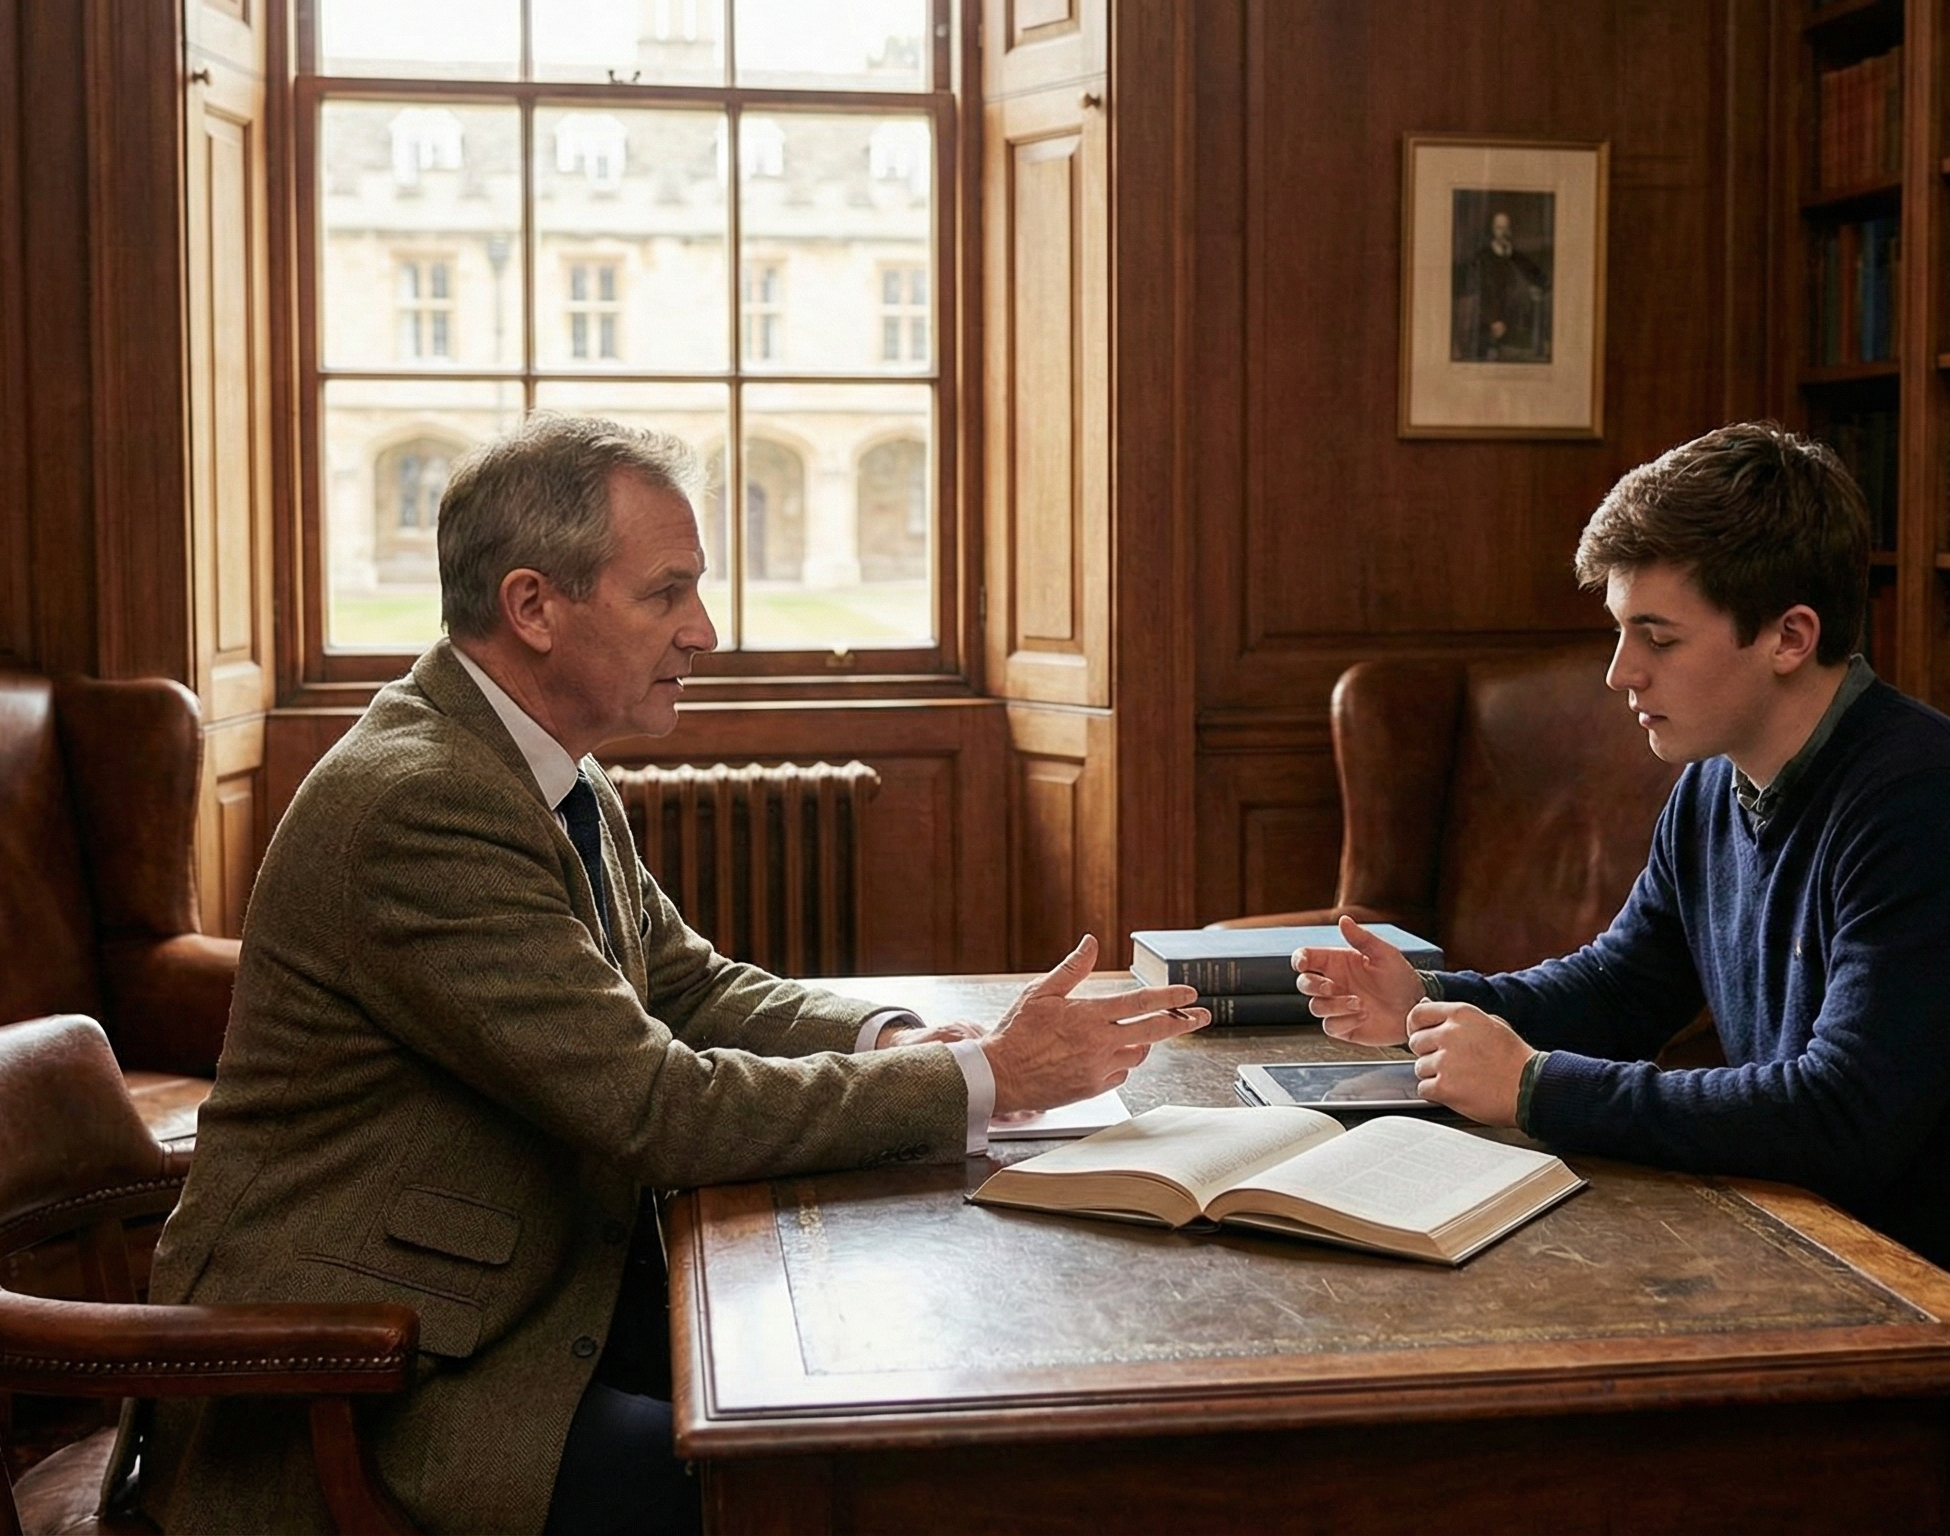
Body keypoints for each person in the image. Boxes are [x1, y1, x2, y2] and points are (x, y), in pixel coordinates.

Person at [142, 415, 1204, 1536]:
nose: (702, 631)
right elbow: (655, 1109)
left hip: (519, 1298)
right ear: (533, 607)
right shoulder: (425, 801)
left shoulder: (538, 765)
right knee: (878, 1484)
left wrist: (889, 1041)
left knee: (914, 1392)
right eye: (667, 593)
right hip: (378, 1381)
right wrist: (985, 1081)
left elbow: (686, 988)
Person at [1292, 421, 1950, 1493]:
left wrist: (1530, 1087)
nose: (1619, 672)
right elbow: (1620, 987)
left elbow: (1840, 1118)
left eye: (1656, 637)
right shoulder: (1715, 783)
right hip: (1835, 1285)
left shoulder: (1923, 804)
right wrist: (1426, 1000)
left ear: (1788, 636)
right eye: (1621, 631)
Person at [1455, 208, 1549, 362]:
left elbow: (1540, 279)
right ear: (1492, 230)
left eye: (1506, 228)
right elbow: (1481, 292)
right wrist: (1493, 320)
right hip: (1486, 322)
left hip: (1512, 323)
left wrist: (1537, 288)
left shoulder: (1516, 256)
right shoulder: (1482, 258)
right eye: (1499, 228)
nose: (1503, 232)